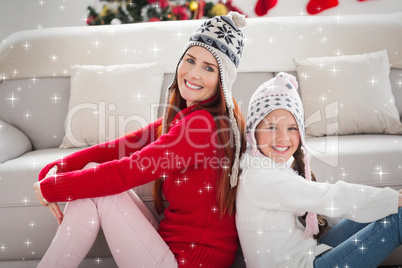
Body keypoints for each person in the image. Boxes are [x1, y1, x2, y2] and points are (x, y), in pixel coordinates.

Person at [33, 11, 247, 268]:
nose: (194, 73)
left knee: (100, 189)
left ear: (222, 81)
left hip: (187, 263)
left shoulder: (201, 127)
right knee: (92, 176)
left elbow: (129, 170)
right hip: (174, 251)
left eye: (209, 68)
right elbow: (121, 147)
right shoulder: (190, 118)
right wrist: (56, 170)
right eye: (190, 60)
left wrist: (54, 187)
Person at [235, 72, 402, 268]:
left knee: (383, 209)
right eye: (272, 128)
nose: (283, 138)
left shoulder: (264, 167)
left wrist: (389, 200)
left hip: (309, 254)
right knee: (397, 217)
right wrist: (391, 199)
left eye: (292, 128)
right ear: (253, 131)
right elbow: (328, 196)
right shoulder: (260, 177)